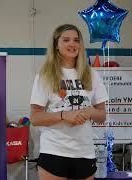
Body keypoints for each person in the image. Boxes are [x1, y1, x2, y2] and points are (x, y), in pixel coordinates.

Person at [30, 24, 108, 180]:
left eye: (76, 40)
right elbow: (35, 118)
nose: (72, 44)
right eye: (66, 40)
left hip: (84, 153)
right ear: (56, 45)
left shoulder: (92, 75)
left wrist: (89, 111)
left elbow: (102, 116)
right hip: (54, 151)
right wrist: (64, 115)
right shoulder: (46, 75)